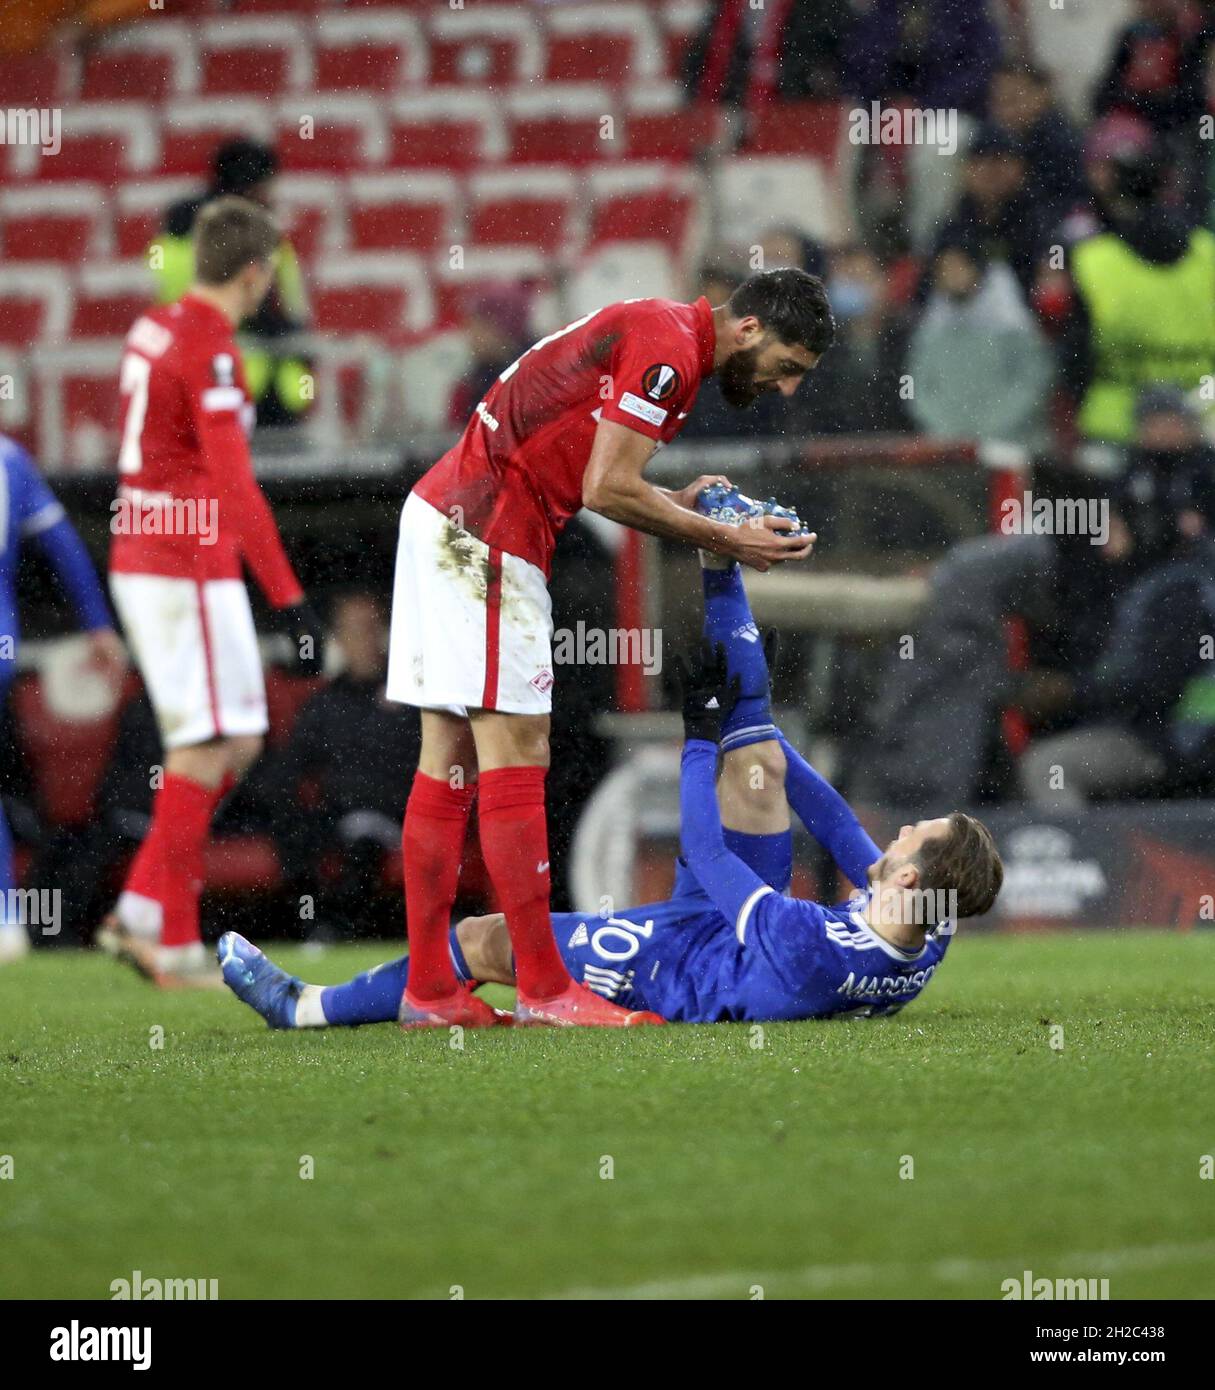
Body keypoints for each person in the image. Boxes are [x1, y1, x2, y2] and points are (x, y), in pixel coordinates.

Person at [218, 553, 1003, 1028]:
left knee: (480, 941)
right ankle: (717, 567)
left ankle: (305, 1007)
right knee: (759, 761)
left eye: (908, 837)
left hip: (678, 967)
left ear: (907, 875)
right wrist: (750, 728)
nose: (894, 834)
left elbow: (698, 847)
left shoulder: (811, 945)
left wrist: (698, 736)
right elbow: (830, 821)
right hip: (738, 941)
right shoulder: (926, 932)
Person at [388, 269, 831, 1030]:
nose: (785, 389)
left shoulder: (663, 333)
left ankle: (428, 988)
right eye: (787, 368)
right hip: (489, 532)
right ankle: (543, 989)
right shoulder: (669, 356)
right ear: (752, 329)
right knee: (516, 747)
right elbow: (604, 489)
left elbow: (604, 473)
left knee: (448, 754)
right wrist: (727, 537)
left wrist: (677, 503)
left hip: (446, 514)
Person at [97, 196, 324, 989]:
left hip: (161, 551)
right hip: (180, 560)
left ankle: (138, 910)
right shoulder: (211, 347)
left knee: (237, 741)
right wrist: (291, 600)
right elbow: (234, 487)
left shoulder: (151, 326)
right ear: (257, 272)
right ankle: (178, 946)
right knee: (200, 746)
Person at [0, 434, 126, 963]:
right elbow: (63, 545)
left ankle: (6, 916)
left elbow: (62, 544)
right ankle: (6, 920)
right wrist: (99, 625)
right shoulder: (9, 459)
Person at [268, 590, 420, 940]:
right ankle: (311, 927)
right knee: (292, 828)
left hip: (393, 813)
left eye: (370, 628)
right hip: (337, 810)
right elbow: (290, 765)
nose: (363, 640)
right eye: (352, 630)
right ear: (338, 638)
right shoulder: (325, 702)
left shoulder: (410, 696)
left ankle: (346, 933)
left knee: (362, 841)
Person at [150, 139, 310, 428]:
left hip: (196, 385)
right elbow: (292, 314)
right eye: (266, 189)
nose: (271, 198)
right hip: (259, 390)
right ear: (251, 189)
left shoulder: (172, 240)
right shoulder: (263, 243)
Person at [906, 233, 1053, 451]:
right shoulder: (930, 331)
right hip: (949, 449)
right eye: (944, 269)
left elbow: (1032, 385)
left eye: (958, 266)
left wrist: (988, 430)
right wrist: (949, 431)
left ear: (977, 269)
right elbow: (916, 388)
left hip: (1012, 448)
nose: (951, 275)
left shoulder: (1014, 326)